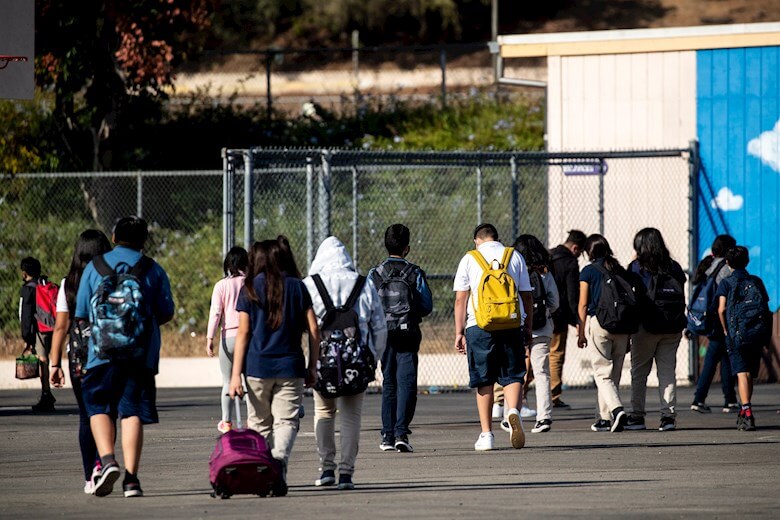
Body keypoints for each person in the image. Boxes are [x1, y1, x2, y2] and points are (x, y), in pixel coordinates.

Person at [74, 216, 175, 498]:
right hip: (140, 355)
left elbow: (81, 312)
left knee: (98, 408)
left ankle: (107, 461)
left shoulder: (95, 267)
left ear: (114, 236)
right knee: (131, 412)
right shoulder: (152, 269)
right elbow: (166, 311)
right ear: (144, 241)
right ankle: (132, 480)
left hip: (100, 355)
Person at [229, 239, 320, 496]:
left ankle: (264, 471)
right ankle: (278, 461)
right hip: (290, 366)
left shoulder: (249, 288)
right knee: (286, 421)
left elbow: (243, 333)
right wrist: (313, 366)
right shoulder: (298, 287)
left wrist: (235, 375)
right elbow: (314, 329)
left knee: (259, 423)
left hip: (256, 367)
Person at [303, 236, 387, 490]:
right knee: (351, 417)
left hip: (322, 363)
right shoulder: (363, 283)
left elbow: (300, 328)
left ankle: (326, 467)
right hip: (357, 363)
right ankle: (347, 473)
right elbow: (379, 327)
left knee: (324, 413)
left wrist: (308, 363)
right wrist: (374, 358)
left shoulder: (310, 285)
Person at [453, 223, 533, 451]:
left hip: (479, 325)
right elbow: (526, 295)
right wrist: (527, 327)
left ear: (477, 240)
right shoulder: (514, 256)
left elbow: (461, 299)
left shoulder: (470, 258)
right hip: (511, 323)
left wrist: (459, 332)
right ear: (496, 238)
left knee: (484, 378)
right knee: (514, 372)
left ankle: (486, 434)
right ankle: (513, 412)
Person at [49, 230, 113, 494]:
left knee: (87, 417)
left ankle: (91, 475)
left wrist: (54, 364)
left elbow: (60, 327)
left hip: (79, 360)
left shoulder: (67, 284)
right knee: (107, 413)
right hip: (109, 355)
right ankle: (105, 463)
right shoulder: (112, 279)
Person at [368, 224, 433, 453]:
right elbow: (427, 305)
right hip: (408, 333)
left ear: (386, 245)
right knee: (406, 381)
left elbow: (368, 305)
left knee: (389, 382)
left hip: (384, 334)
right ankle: (401, 433)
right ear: (407, 248)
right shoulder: (415, 272)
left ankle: (386, 435)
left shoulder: (375, 273)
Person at [625, 228, 687, 432]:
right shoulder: (674, 267)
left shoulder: (637, 268)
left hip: (645, 326)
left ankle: (637, 416)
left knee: (640, 372)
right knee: (667, 371)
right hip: (672, 326)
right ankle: (668, 417)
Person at [577, 234, 631, 433]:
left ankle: (616, 411)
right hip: (623, 326)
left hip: (600, 323)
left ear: (589, 252)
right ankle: (605, 418)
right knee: (613, 374)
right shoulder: (619, 269)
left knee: (601, 372)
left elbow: (583, 304)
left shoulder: (588, 271)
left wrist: (581, 331)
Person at [716, 246, 771, 431]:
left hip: (736, 334)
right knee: (748, 374)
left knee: (741, 373)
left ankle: (746, 411)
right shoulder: (756, 281)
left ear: (727, 262)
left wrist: (726, 330)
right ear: (747, 262)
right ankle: (745, 408)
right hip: (755, 333)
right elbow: (765, 307)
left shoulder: (726, 282)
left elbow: (721, 309)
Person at [514, 234, 559, 433]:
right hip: (542, 327)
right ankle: (544, 417)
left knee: (514, 372)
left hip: (517, 327)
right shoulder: (544, 272)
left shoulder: (514, 271)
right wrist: (545, 313)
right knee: (542, 373)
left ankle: (512, 413)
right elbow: (555, 302)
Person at [690, 234, 739, 413]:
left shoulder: (708, 264)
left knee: (725, 357)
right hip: (720, 317)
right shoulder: (725, 268)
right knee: (712, 359)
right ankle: (699, 399)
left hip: (708, 317)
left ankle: (730, 400)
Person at [206, 246, 248, 434]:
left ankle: (226, 422)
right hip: (248, 335)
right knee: (250, 379)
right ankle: (254, 417)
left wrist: (210, 337)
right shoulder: (251, 283)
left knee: (227, 379)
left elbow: (216, 313)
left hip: (228, 337)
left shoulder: (221, 285)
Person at [549, 229, 586, 409]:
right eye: (580, 252)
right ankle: (553, 396)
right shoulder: (570, 262)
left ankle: (521, 395)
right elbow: (573, 296)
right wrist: (577, 321)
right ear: (575, 248)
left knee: (532, 355)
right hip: (559, 317)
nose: (579, 256)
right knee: (555, 355)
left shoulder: (548, 256)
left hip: (540, 315)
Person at [19, 256, 57, 413]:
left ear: (24, 272)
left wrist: (27, 337)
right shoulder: (45, 285)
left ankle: (46, 394)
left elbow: (26, 315)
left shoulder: (28, 289)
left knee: (42, 360)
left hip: (39, 330)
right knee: (46, 359)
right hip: (51, 327)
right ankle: (46, 393)